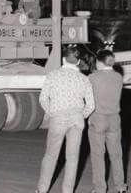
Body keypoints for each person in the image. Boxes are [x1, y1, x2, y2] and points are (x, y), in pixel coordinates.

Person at [36, 45, 95, 193]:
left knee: (50, 156)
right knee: (73, 158)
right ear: (78, 61)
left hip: (58, 118)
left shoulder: (53, 75)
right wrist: (82, 115)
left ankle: (42, 190)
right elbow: (91, 105)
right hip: (77, 119)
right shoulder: (84, 79)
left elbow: (43, 99)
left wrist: (52, 112)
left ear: (63, 59)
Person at [88, 50, 127, 193]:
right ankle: (120, 186)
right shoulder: (118, 77)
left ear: (99, 62)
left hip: (98, 119)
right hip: (115, 119)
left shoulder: (92, 77)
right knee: (116, 154)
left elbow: (87, 99)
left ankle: (99, 189)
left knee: (98, 155)